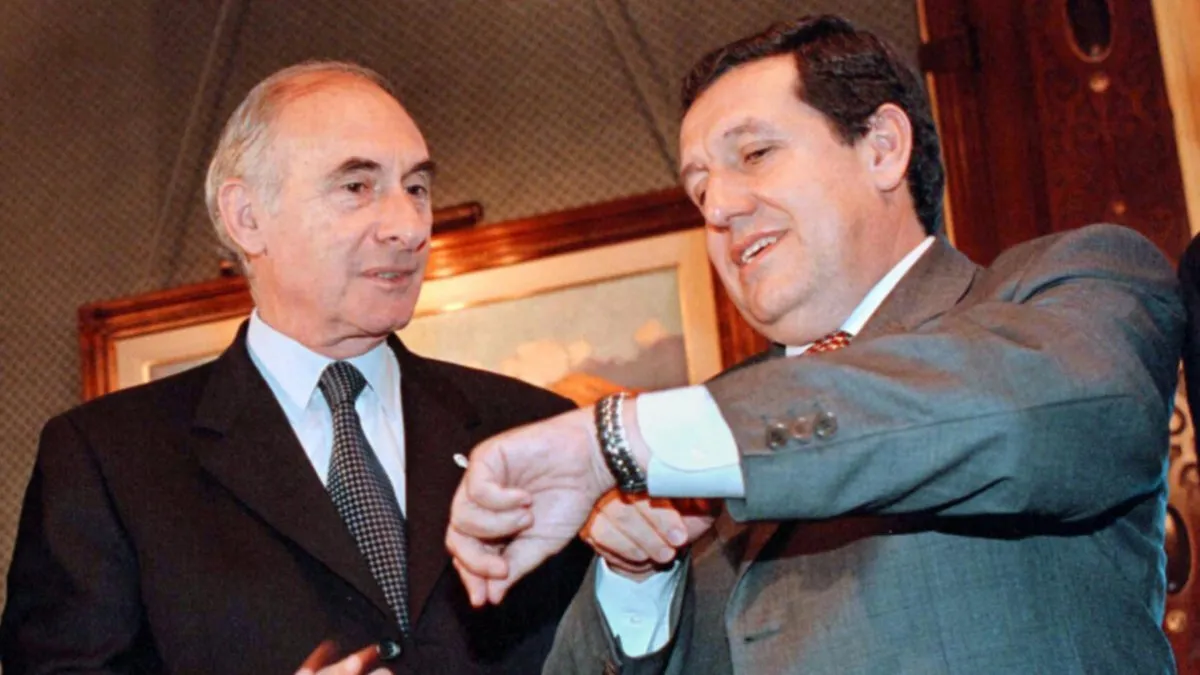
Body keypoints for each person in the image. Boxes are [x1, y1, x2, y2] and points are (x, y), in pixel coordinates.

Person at [444, 15, 1183, 675]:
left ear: (883, 148)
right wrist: (641, 576)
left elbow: (1033, 413)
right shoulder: (702, 433)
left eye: (755, 153)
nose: (719, 207)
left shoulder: (1071, 289)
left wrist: (619, 437)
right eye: (699, 190)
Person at [0, 61, 590, 675]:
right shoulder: (108, 459)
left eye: (416, 188)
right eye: (357, 186)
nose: (409, 227)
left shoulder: (534, 427)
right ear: (248, 217)